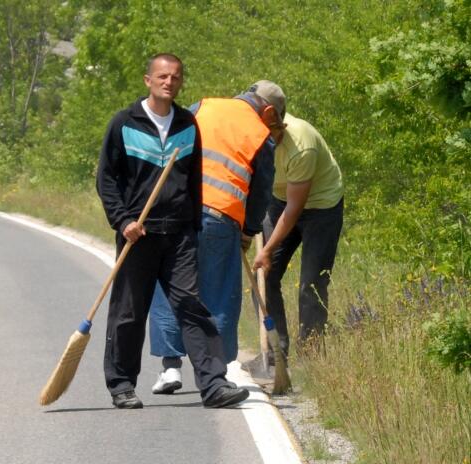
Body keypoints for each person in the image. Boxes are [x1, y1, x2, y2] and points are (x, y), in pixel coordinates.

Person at [95, 53, 249, 409]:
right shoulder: (124, 123)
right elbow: (107, 180)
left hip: (179, 235)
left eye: (175, 77)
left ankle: (213, 385)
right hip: (139, 233)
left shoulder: (187, 124)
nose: (169, 82)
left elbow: (194, 181)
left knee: (191, 307)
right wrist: (123, 221)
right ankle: (121, 385)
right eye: (162, 76)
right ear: (148, 80)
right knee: (130, 312)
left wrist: (194, 227)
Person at [146, 90, 277, 394]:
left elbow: (171, 148)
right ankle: (216, 374)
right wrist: (249, 230)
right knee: (218, 294)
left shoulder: (202, 107)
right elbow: (260, 192)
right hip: (220, 217)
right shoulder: (260, 134)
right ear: (268, 111)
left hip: (176, 212)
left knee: (171, 288)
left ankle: (170, 368)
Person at [250, 81, 344, 358]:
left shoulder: (300, 144)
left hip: (320, 207)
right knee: (263, 277)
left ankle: (310, 355)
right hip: (278, 201)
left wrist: (267, 250)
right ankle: (275, 350)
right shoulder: (249, 134)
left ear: (272, 117)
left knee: (311, 283)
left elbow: (295, 209)